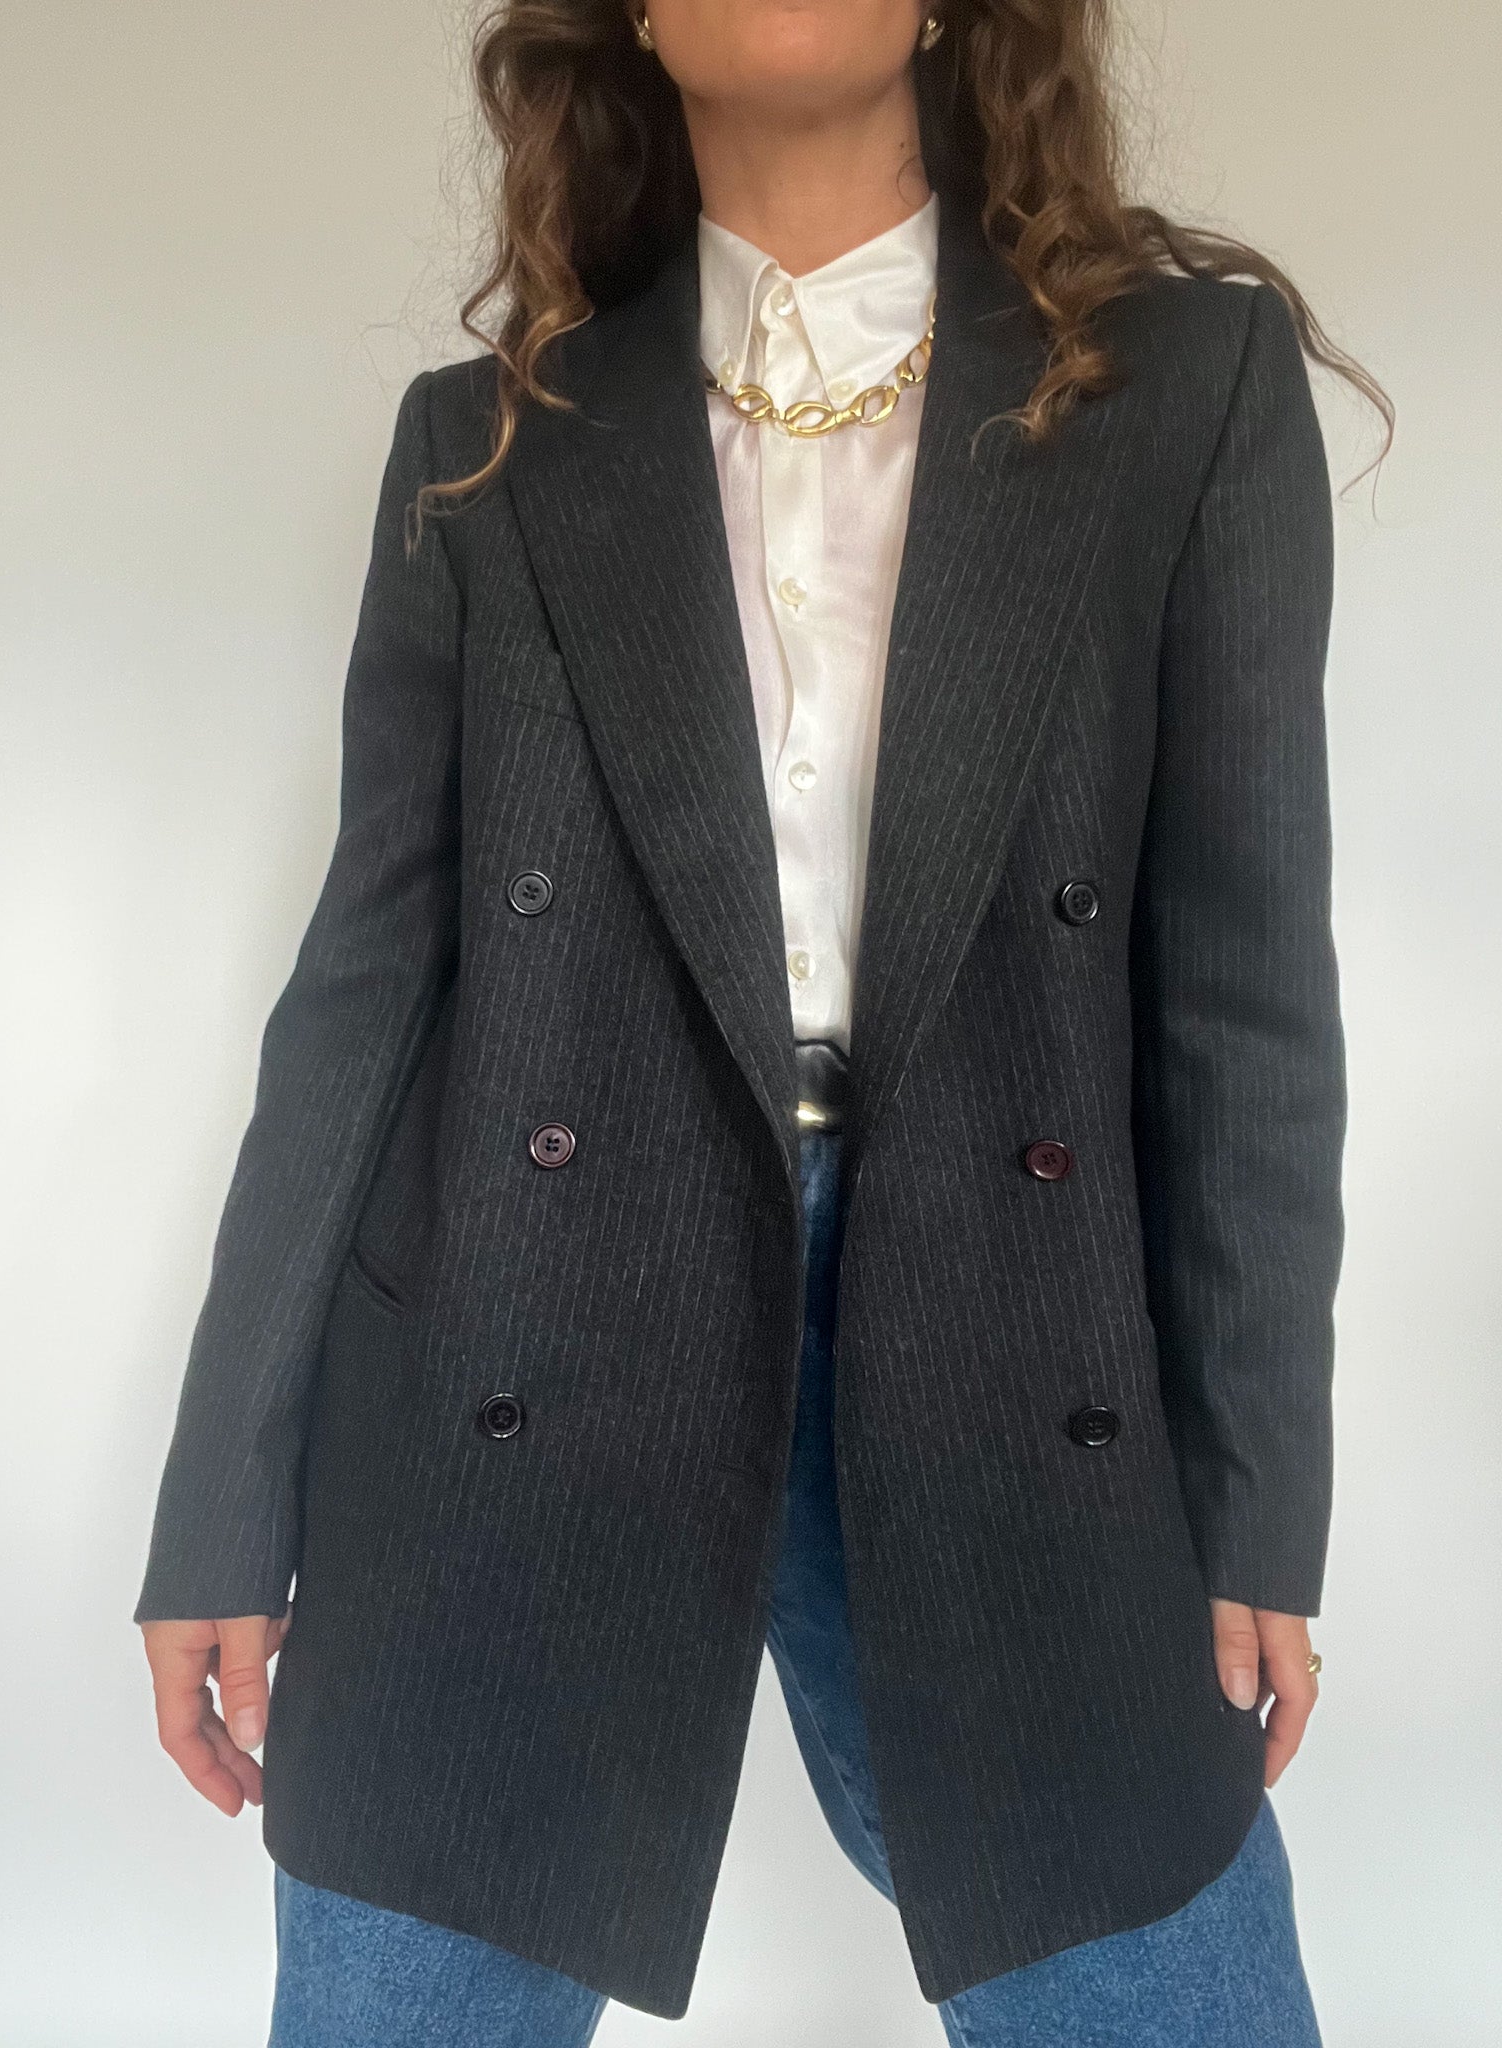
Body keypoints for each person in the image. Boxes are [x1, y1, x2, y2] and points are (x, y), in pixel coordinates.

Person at [135, 3, 1392, 2042]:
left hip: (1012, 1321)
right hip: (523, 1323)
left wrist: (1261, 1490)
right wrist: (222, 1497)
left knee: (1158, 1983)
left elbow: (1244, 994)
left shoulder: (1181, 386)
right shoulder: (488, 439)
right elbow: (364, 980)